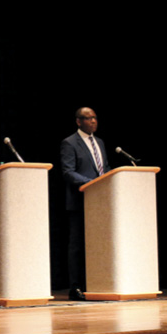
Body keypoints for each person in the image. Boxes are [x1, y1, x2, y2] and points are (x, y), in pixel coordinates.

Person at [59, 107, 110, 301]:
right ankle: (76, 286)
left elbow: (104, 169)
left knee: (98, 244)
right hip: (80, 201)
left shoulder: (100, 143)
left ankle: (97, 283)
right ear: (78, 122)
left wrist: (108, 180)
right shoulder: (69, 143)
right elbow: (68, 171)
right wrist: (92, 184)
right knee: (77, 245)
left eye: (95, 118)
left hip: (100, 202)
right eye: (88, 118)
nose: (93, 121)